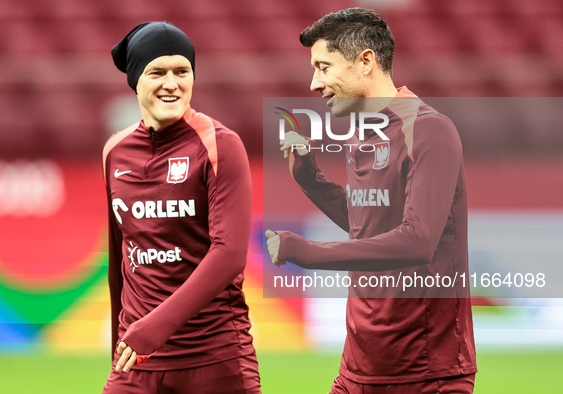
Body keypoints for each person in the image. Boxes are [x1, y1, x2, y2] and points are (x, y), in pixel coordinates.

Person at [266, 8, 477, 394]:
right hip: (358, 367)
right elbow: (368, 224)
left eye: (323, 66)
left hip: (426, 374)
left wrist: (309, 253)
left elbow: (417, 241)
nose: (314, 83)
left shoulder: (430, 130)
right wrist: (309, 180)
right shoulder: (361, 133)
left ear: (365, 62)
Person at [102, 22, 260, 393]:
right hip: (135, 360)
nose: (171, 83)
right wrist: (120, 345)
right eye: (157, 72)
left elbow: (230, 253)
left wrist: (153, 328)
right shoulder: (115, 150)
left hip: (213, 357)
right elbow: (118, 258)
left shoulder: (222, 145)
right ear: (135, 79)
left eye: (182, 71)